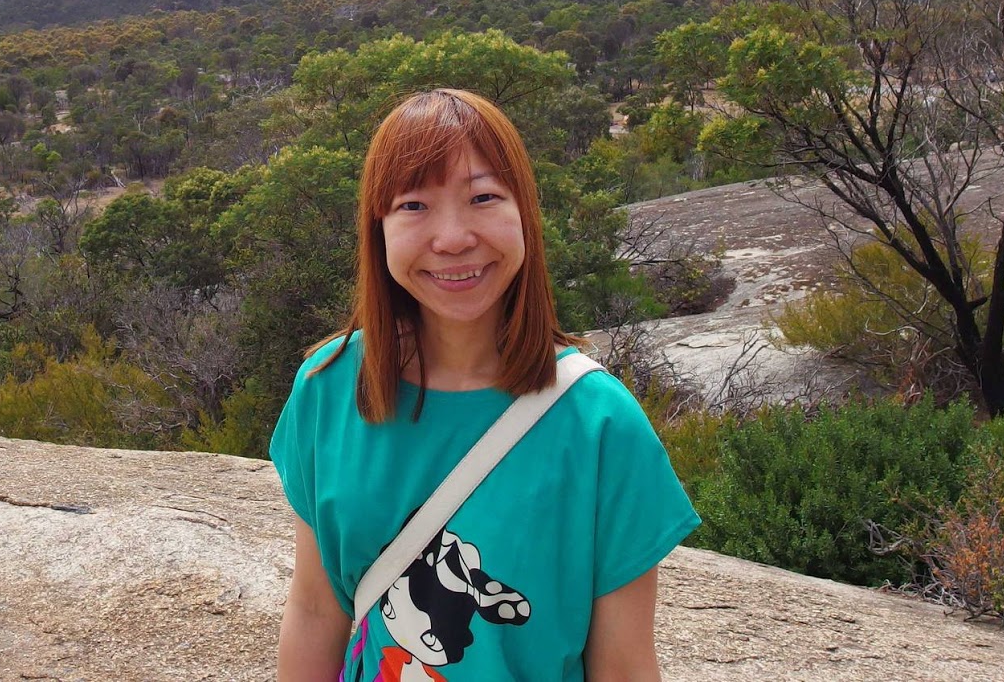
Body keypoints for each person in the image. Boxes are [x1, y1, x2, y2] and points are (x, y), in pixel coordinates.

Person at [271, 89, 699, 681]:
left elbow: (623, 666)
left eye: (482, 197)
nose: (452, 238)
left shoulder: (600, 425)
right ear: (379, 229)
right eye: (414, 206)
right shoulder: (329, 387)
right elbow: (317, 610)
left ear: (524, 212)